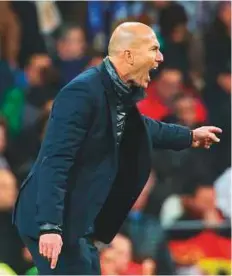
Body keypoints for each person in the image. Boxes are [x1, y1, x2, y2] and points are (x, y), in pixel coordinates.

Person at [13, 22, 222, 275]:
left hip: (76, 219)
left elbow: (142, 127)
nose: (160, 57)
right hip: (50, 216)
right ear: (129, 55)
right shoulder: (82, 92)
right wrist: (49, 227)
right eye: (153, 49)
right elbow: (55, 161)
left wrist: (189, 136)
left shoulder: (117, 91)